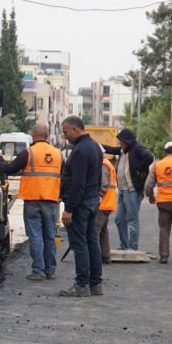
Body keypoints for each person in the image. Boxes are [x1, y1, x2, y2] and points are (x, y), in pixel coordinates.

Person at [0, 123, 62, 281]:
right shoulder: (58, 154)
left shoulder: (28, 152)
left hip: (32, 200)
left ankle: (38, 271)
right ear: (47, 136)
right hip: (51, 201)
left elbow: (8, 168)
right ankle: (50, 271)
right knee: (49, 236)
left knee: (35, 236)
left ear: (33, 135)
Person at [58, 115, 103, 297]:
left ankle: (81, 284)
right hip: (92, 201)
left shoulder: (79, 151)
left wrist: (69, 209)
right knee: (92, 242)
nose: (65, 136)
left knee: (80, 243)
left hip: (81, 203)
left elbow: (78, 183)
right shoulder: (95, 147)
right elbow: (98, 178)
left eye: (66, 132)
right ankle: (95, 284)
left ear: (75, 130)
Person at [102, 128, 154, 251]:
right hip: (122, 190)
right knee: (119, 219)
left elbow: (149, 157)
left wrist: (138, 168)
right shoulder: (123, 150)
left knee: (132, 219)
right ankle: (125, 246)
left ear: (127, 141)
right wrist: (98, 145)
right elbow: (111, 149)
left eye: (121, 141)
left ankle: (132, 247)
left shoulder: (136, 149)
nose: (120, 144)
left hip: (132, 191)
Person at [97, 150, 118, 265]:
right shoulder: (107, 163)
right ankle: (105, 256)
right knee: (103, 230)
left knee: (95, 230)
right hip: (108, 202)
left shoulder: (103, 165)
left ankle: (94, 257)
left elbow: (103, 185)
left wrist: (97, 197)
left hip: (103, 203)